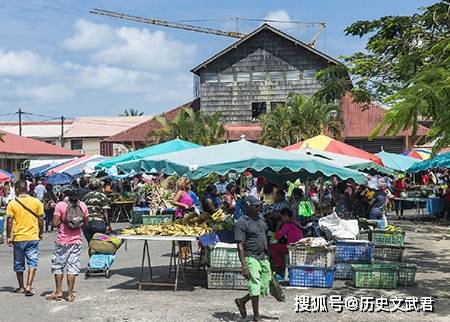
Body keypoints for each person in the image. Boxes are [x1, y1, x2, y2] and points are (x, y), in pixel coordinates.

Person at [46, 187, 89, 302]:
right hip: (76, 241)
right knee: (72, 268)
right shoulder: (83, 205)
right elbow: (86, 222)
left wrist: (58, 221)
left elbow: (55, 224)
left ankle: (58, 291)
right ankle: (70, 294)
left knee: (58, 266)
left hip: (62, 241)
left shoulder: (60, 205)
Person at [234, 196, 271, 322]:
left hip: (262, 255)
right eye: (256, 206)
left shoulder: (260, 217)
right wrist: (244, 266)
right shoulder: (241, 223)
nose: (259, 207)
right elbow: (239, 245)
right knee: (254, 284)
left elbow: (264, 235)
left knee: (264, 284)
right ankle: (256, 316)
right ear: (247, 207)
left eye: (259, 205)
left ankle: (242, 301)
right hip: (250, 256)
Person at [5, 179, 44, 296]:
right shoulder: (37, 202)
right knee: (32, 261)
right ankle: (29, 285)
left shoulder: (12, 203)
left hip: (19, 238)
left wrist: (8, 236)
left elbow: (9, 221)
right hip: (33, 236)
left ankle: (21, 287)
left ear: (16, 189)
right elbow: (41, 219)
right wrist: (40, 232)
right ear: (27, 189)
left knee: (18, 263)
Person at [268, 208, 303, 276]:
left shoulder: (287, 225)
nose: (281, 219)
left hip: (291, 248)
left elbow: (277, 236)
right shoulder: (296, 223)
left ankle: (281, 265)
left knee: (270, 247)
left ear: (286, 216)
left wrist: (278, 227)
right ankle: (282, 264)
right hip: (299, 247)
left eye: (281, 217)